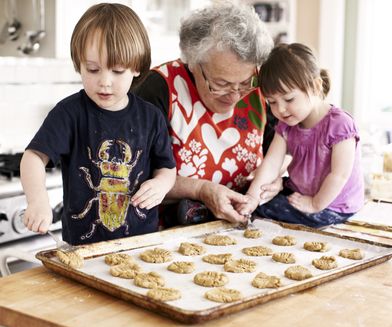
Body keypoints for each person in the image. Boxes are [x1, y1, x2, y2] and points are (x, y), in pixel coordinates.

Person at [20, 3, 176, 245]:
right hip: (82, 247)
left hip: (141, 245)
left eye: (117, 71)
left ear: (136, 68)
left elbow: (166, 168)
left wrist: (161, 184)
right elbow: (33, 157)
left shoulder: (151, 117)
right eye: (92, 69)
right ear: (78, 64)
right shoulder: (69, 113)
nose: (104, 82)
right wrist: (37, 200)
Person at [132, 1, 281, 227]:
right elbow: (133, 174)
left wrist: (275, 180)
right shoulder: (159, 89)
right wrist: (201, 190)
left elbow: (281, 150)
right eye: (221, 83)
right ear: (192, 62)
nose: (235, 95)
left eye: (244, 83)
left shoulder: (260, 87)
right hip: (166, 232)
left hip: (241, 228)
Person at [237, 43, 364, 227]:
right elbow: (272, 163)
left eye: (289, 99)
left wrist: (314, 204)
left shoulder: (339, 124)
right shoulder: (287, 125)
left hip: (333, 205)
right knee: (256, 200)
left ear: (315, 86)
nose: (280, 109)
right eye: (272, 102)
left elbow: (339, 175)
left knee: (267, 211)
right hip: (301, 193)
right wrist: (252, 197)